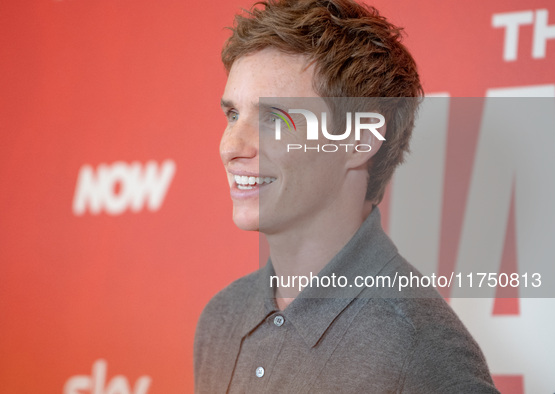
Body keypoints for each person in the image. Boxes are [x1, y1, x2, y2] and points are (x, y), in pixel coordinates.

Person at [194, 0, 499, 392]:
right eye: (233, 115)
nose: (231, 146)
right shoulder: (221, 319)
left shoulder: (422, 349)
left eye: (276, 118)